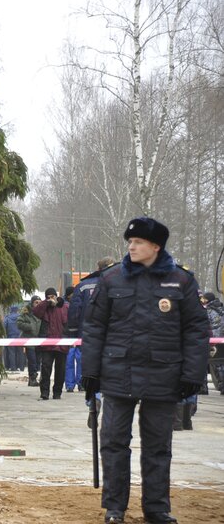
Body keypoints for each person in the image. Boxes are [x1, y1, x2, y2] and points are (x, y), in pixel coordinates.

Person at [81, 217, 210, 524]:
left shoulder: (181, 281)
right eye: (130, 242)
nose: (131, 246)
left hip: (162, 375)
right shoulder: (111, 279)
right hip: (117, 373)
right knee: (113, 442)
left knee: (157, 446)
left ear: (155, 246)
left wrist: (193, 374)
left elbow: (195, 329)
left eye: (138, 242)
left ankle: (157, 508)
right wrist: (90, 371)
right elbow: (95, 327)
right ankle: (115, 508)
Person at [66, 259, 116, 393]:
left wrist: (73, 331)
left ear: (98, 268)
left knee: (86, 357)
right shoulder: (120, 284)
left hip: (87, 330)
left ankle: (85, 383)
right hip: (113, 332)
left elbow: (75, 310)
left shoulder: (83, 286)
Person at [33, 287, 68, 400]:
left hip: (61, 344)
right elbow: (36, 312)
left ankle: (57, 392)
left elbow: (69, 323)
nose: (51, 299)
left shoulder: (64, 307)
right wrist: (46, 303)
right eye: (48, 297)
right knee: (46, 368)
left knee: (60, 370)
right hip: (47, 344)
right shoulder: (44, 308)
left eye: (52, 297)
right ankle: (44, 392)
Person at [16, 296, 42, 386]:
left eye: (39, 302)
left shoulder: (42, 312)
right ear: (32, 303)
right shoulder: (26, 313)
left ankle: (36, 376)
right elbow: (19, 323)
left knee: (38, 361)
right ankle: (32, 379)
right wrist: (30, 326)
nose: (38, 304)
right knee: (32, 361)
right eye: (36, 302)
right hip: (29, 341)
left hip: (39, 341)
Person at [2, 305, 25, 371]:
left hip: (10, 337)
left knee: (12, 353)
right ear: (17, 310)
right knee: (20, 353)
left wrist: (6, 335)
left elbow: (4, 326)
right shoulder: (21, 317)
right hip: (20, 337)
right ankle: (21, 367)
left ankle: (13, 367)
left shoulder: (7, 318)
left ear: (10, 310)